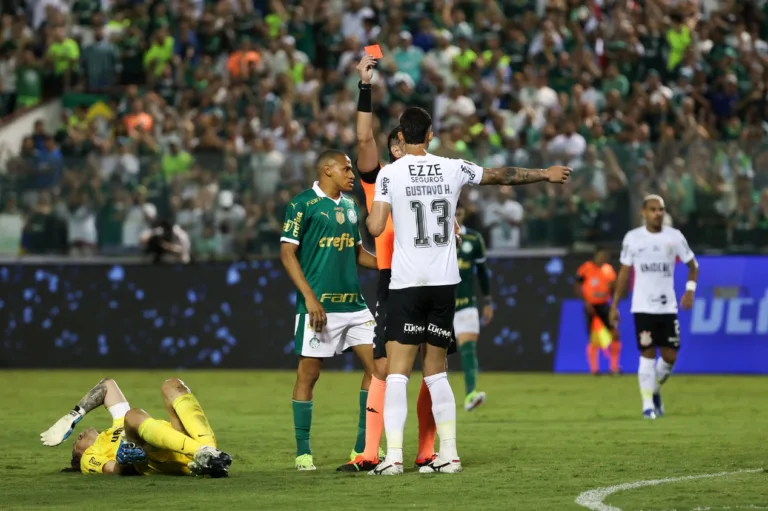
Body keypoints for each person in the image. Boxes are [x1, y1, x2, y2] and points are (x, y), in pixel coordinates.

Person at [366, 106, 571, 475]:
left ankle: (393, 457)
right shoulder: (452, 167)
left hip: (408, 284)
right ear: (430, 134)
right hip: (445, 285)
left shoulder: (389, 174)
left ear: (400, 136)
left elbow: (377, 226)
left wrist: (370, 215)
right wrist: (544, 174)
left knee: (398, 373)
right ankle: (450, 455)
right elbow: (499, 175)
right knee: (437, 372)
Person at [337, 55, 437, 472]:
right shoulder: (379, 177)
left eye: (401, 140)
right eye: (391, 142)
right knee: (383, 366)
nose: (395, 145)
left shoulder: (434, 174)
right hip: (391, 278)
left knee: (432, 363)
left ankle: (427, 451)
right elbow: (363, 139)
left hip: (432, 275)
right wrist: (365, 86)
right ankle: (369, 453)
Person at [280, 149, 379, 471]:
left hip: (353, 304)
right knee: (308, 375)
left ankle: (363, 447)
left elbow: (358, 253)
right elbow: (287, 254)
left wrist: (390, 266)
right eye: (346, 169)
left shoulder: (351, 206)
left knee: (379, 369)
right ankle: (303, 451)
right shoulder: (302, 204)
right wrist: (309, 298)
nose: (352, 174)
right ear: (327, 170)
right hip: (318, 307)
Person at [609, 195, 698, 420]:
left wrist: (689, 290)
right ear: (643, 212)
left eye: (661, 209)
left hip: (667, 306)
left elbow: (693, 266)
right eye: (653, 209)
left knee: (670, 357)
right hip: (642, 307)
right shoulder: (633, 238)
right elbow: (624, 273)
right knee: (647, 355)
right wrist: (615, 304)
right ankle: (647, 405)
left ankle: (655, 389)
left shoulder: (674, 237)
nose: (658, 213)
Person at [40, 377, 232, 477]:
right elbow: (112, 469)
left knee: (172, 385)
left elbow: (108, 384)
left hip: (179, 440)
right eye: (75, 446)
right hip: (153, 457)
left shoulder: (113, 427)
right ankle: (203, 453)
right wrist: (123, 462)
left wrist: (73, 415)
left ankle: (211, 456)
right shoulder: (89, 458)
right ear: (80, 456)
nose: (78, 437)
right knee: (132, 416)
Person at [454, 203, 493, 411]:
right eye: (453, 212)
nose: (456, 217)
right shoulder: (433, 238)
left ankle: (470, 394)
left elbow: (483, 272)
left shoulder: (474, 239)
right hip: (439, 306)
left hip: (466, 303)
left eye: (459, 213)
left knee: (468, 349)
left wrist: (487, 300)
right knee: (434, 357)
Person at [576, 246, 620, 375]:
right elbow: (577, 285)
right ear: (596, 255)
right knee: (593, 338)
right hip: (591, 306)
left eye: (606, 256)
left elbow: (614, 287)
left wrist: (613, 307)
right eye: (602, 255)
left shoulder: (608, 270)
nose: (604, 258)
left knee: (614, 334)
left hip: (604, 305)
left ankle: (614, 368)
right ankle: (594, 370)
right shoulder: (586, 268)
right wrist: (586, 301)